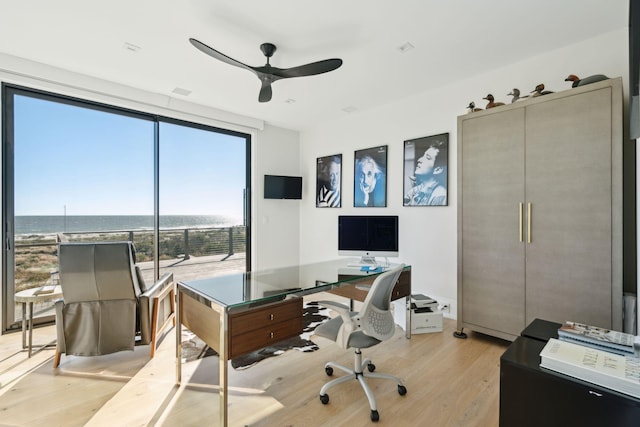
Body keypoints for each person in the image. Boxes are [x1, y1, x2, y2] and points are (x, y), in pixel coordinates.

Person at [404, 140, 447, 206]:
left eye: (427, 158)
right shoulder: (413, 191)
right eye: (423, 156)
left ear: (437, 170)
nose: (419, 160)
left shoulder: (440, 195)